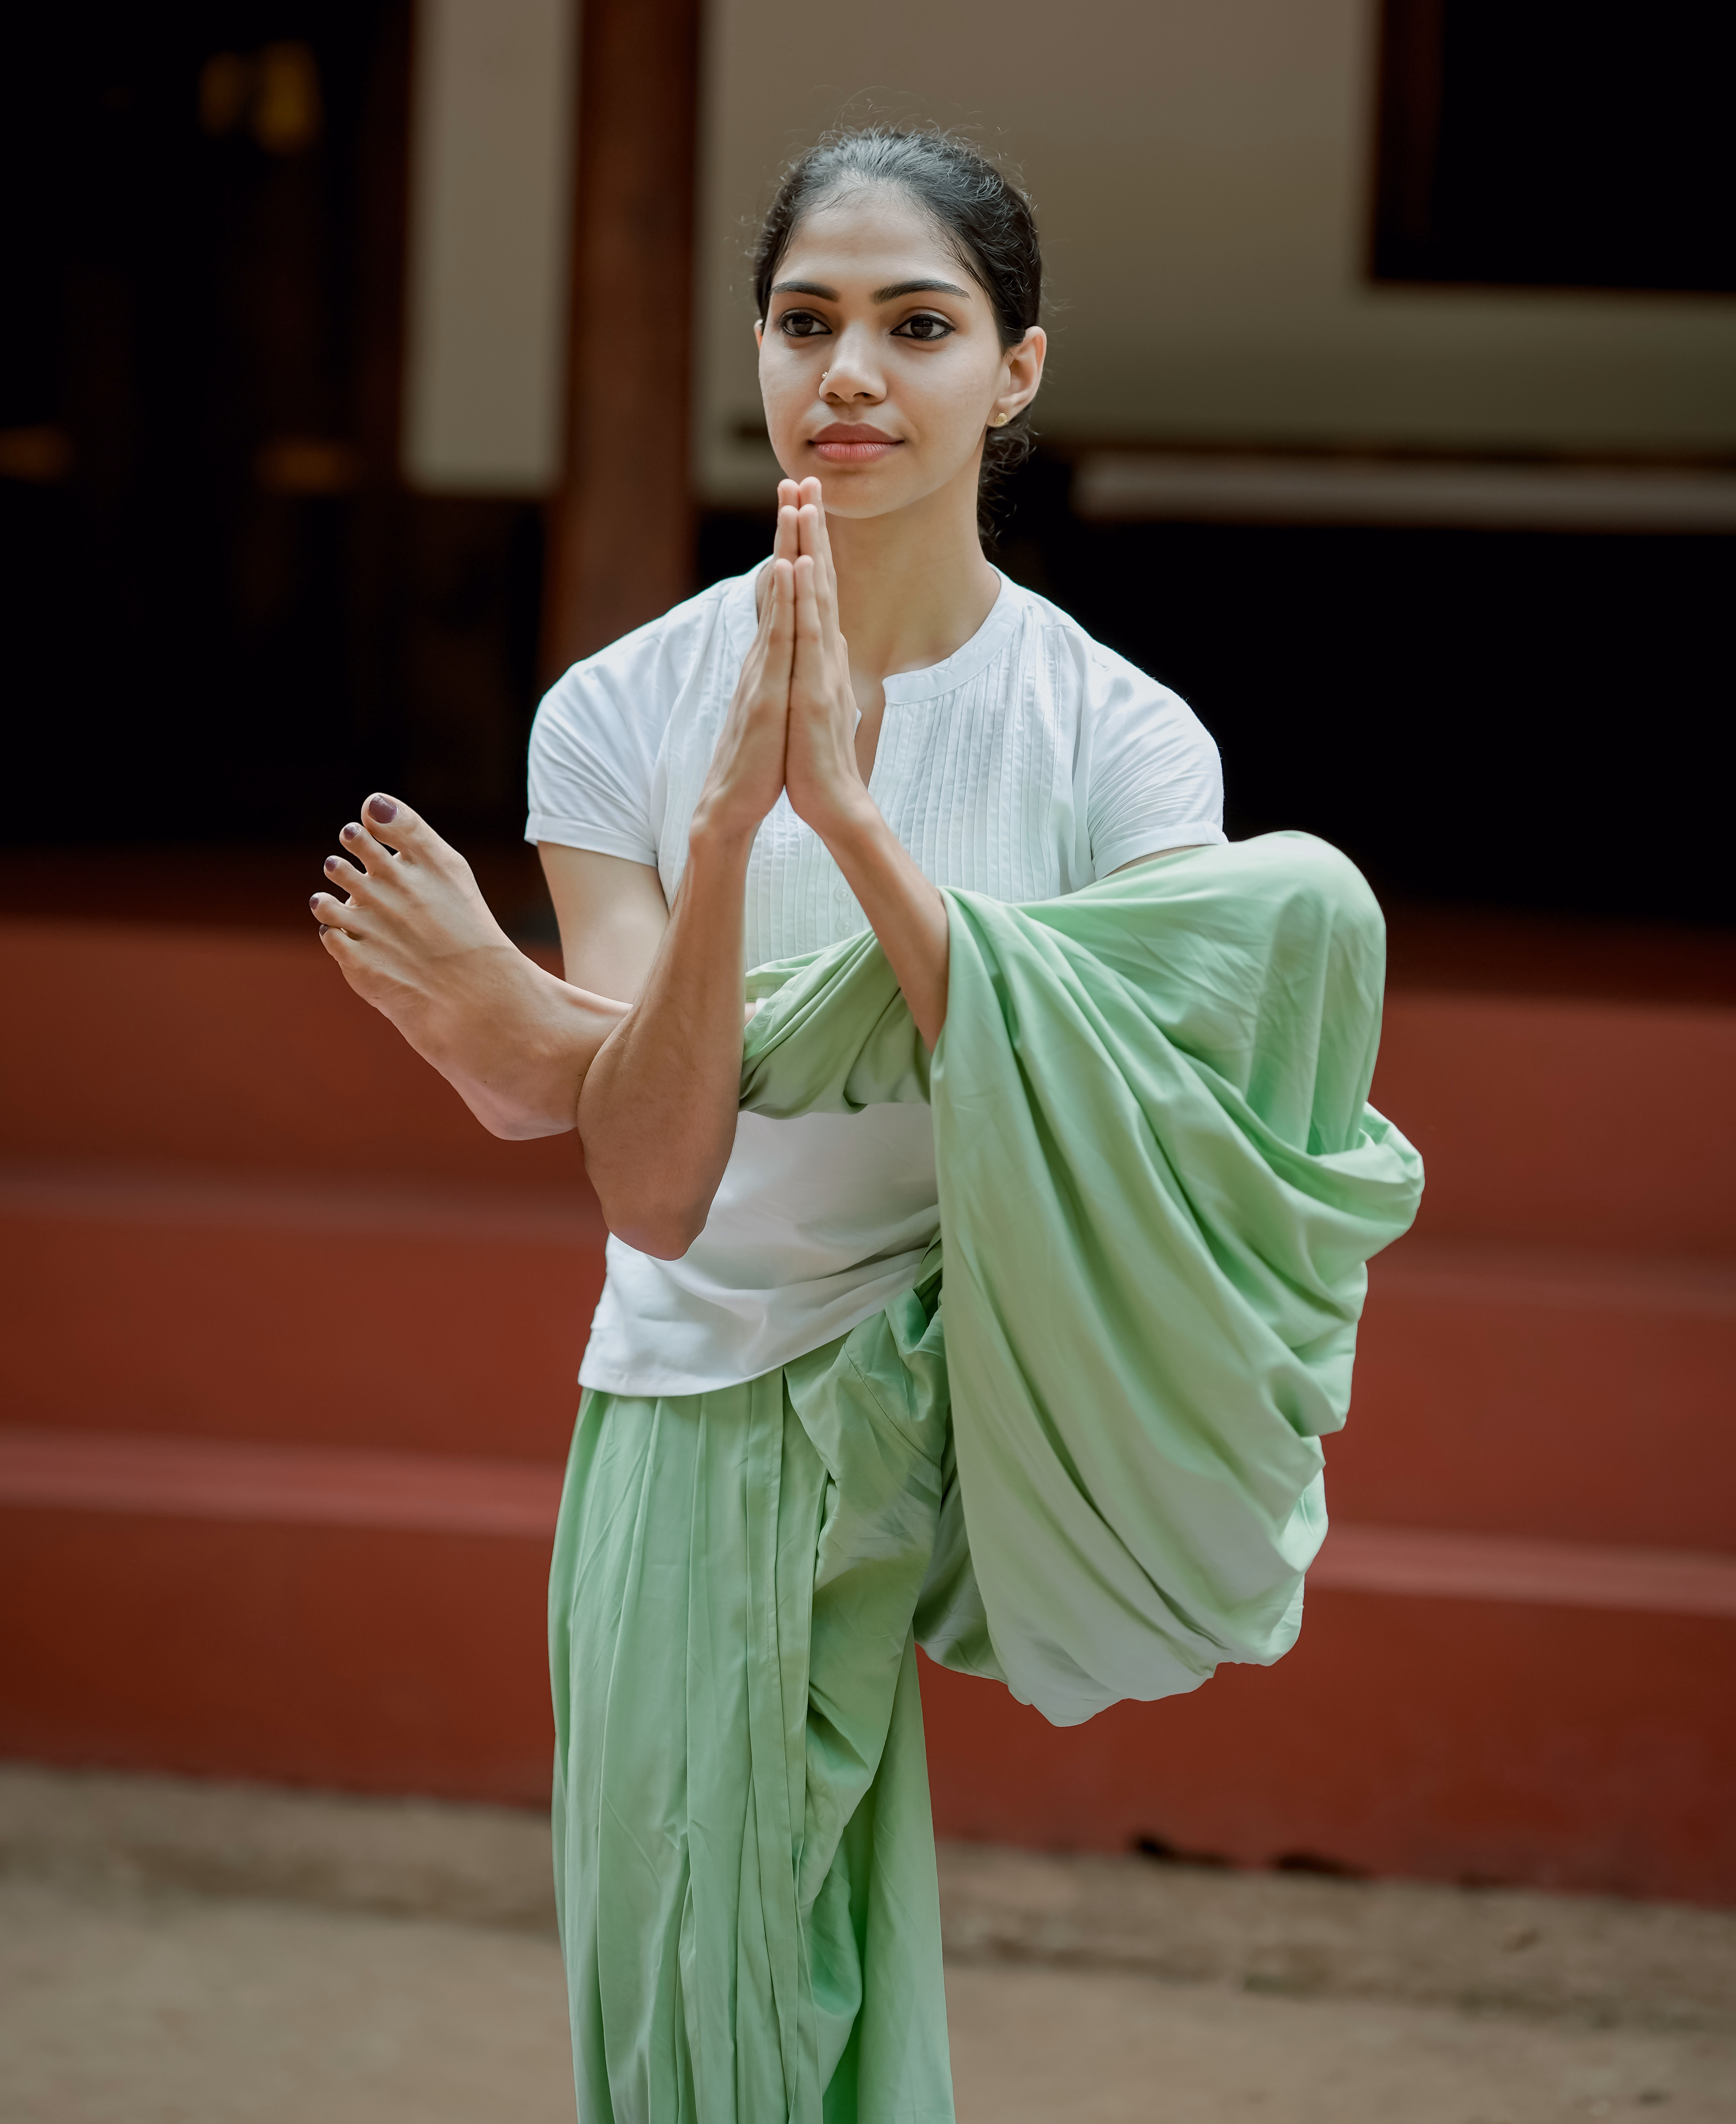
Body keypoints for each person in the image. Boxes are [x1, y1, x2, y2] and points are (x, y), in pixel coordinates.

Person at [310, 128, 1418, 2120]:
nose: (852, 373)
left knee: (1298, 900)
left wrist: (836, 833)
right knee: (703, 1998)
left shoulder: (1121, 735)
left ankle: (531, 1042)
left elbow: (1137, 1117)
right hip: (700, 1383)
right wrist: (736, 820)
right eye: (807, 322)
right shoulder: (623, 712)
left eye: (921, 325)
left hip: (978, 1362)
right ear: (756, 353)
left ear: (1019, 372)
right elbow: (658, 1193)